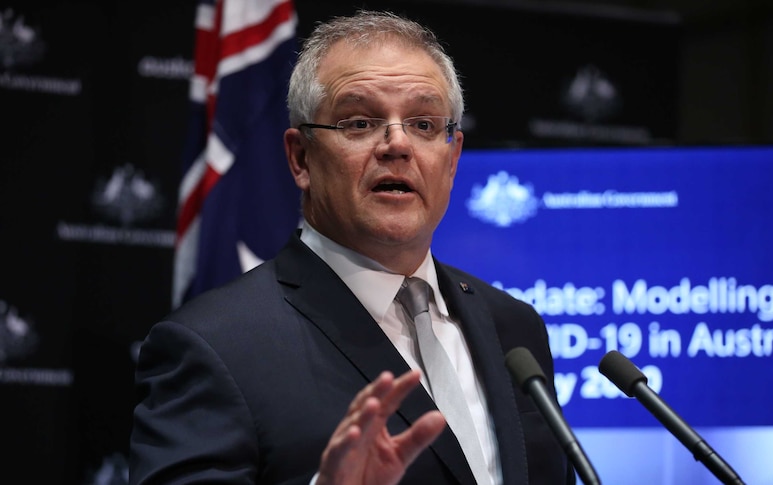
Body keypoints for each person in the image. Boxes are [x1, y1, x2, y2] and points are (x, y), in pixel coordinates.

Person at [130, 10, 573, 485]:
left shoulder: (514, 328)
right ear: (301, 158)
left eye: (424, 124)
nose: (397, 144)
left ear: (452, 159)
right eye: (360, 122)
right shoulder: (215, 345)